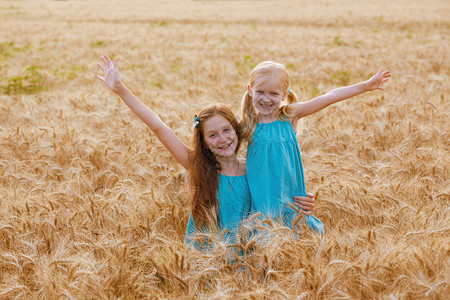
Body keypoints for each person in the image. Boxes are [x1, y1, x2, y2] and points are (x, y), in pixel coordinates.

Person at [96, 55, 316, 250]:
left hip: (247, 260)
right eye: (212, 135)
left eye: (227, 131)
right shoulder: (198, 166)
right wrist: (120, 89)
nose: (222, 139)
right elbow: (158, 126)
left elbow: (279, 196)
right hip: (207, 260)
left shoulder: (255, 169)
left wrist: (303, 202)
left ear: (239, 129)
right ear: (202, 140)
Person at [241, 61, 391, 234]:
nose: (266, 99)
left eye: (273, 93)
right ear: (250, 90)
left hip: (292, 204)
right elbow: (220, 149)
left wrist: (366, 85)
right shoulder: (247, 125)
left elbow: (329, 97)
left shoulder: (289, 115)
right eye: (260, 92)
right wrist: (200, 123)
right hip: (262, 208)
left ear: (284, 95)